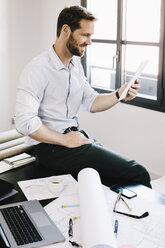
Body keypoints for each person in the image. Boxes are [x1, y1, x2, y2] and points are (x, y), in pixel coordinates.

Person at [15, 5, 151, 188]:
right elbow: (24, 121)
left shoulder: (76, 65)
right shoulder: (37, 69)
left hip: (75, 137)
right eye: (85, 35)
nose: (90, 42)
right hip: (52, 147)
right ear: (65, 30)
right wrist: (64, 139)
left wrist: (120, 94)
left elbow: (91, 102)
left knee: (113, 179)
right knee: (138, 172)